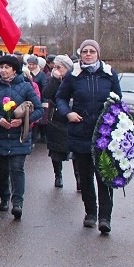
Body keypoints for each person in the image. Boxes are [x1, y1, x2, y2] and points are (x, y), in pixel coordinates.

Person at [55, 40, 122, 234]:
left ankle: (105, 218)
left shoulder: (109, 74)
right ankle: (90, 213)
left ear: (98, 54)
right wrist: (67, 113)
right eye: (85, 51)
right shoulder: (74, 75)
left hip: (103, 134)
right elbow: (60, 97)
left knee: (104, 176)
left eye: (92, 51)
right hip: (80, 132)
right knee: (85, 176)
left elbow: (118, 99)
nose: (88, 54)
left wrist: (113, 118)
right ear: (80, 54)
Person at [0, 54, 43, 220]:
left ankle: (17, 202)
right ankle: (4, 197)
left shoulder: (26, 87)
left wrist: (23, 120)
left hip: (19, 136)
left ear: (15, 69)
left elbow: (39, 110)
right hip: (0, 135)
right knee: (2, 169)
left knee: (17, 168)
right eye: (1, 67)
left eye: (7, 67)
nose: (3, 70)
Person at [41, 54, 78, 190]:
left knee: (76, 151)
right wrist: (55, 80)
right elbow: (46, 93)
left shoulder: (75, 79)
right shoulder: (52, 79)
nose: (56, 69)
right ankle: (58, 175)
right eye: (55, 66)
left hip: (72, 118)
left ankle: (79, 178)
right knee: (56, 150)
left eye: (59, 67)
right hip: (55, 119)